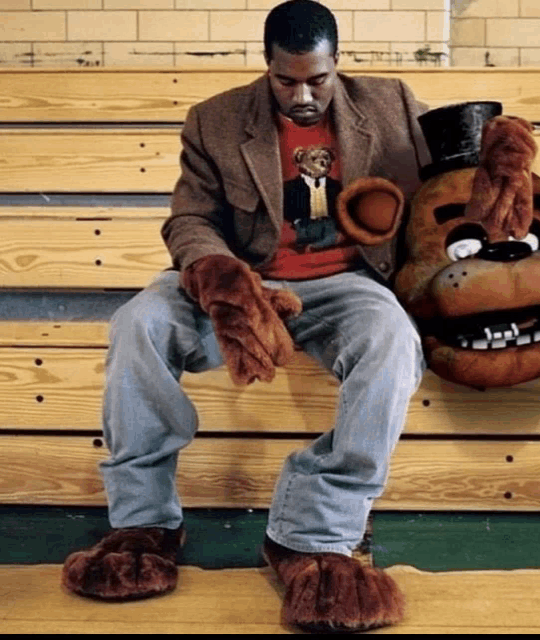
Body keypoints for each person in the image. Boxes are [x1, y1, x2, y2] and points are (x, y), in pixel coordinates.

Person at [63, 0, 430, 631]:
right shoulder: (215, 120)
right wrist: (222, 280)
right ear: (267, 68)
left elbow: (453, 179)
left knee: (393, 341)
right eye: (287, 81)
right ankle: (143, 528)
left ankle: (311, 533)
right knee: (138, 323)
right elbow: (190, 219)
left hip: (346, 285)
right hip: (245, 280)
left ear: (337, 63)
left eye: (317, 79)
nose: (303, 95)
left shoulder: (393, 104)